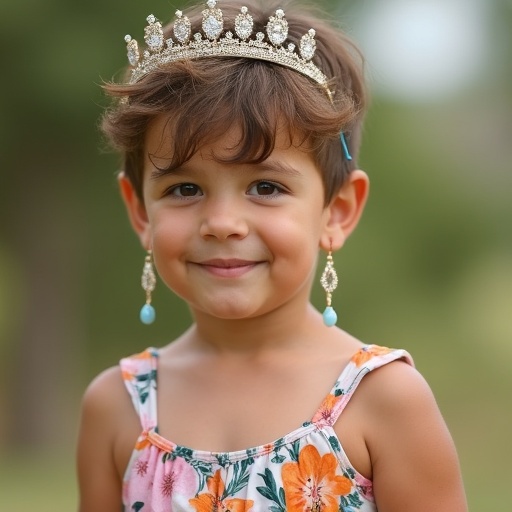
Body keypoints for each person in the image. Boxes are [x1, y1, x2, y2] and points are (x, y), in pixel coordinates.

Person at [76, 1, 467, 511]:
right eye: (185, 188)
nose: (222, 223)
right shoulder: (118, 407)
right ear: (140, 212)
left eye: (265, 186)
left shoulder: (384, 401)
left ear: (337, 211)